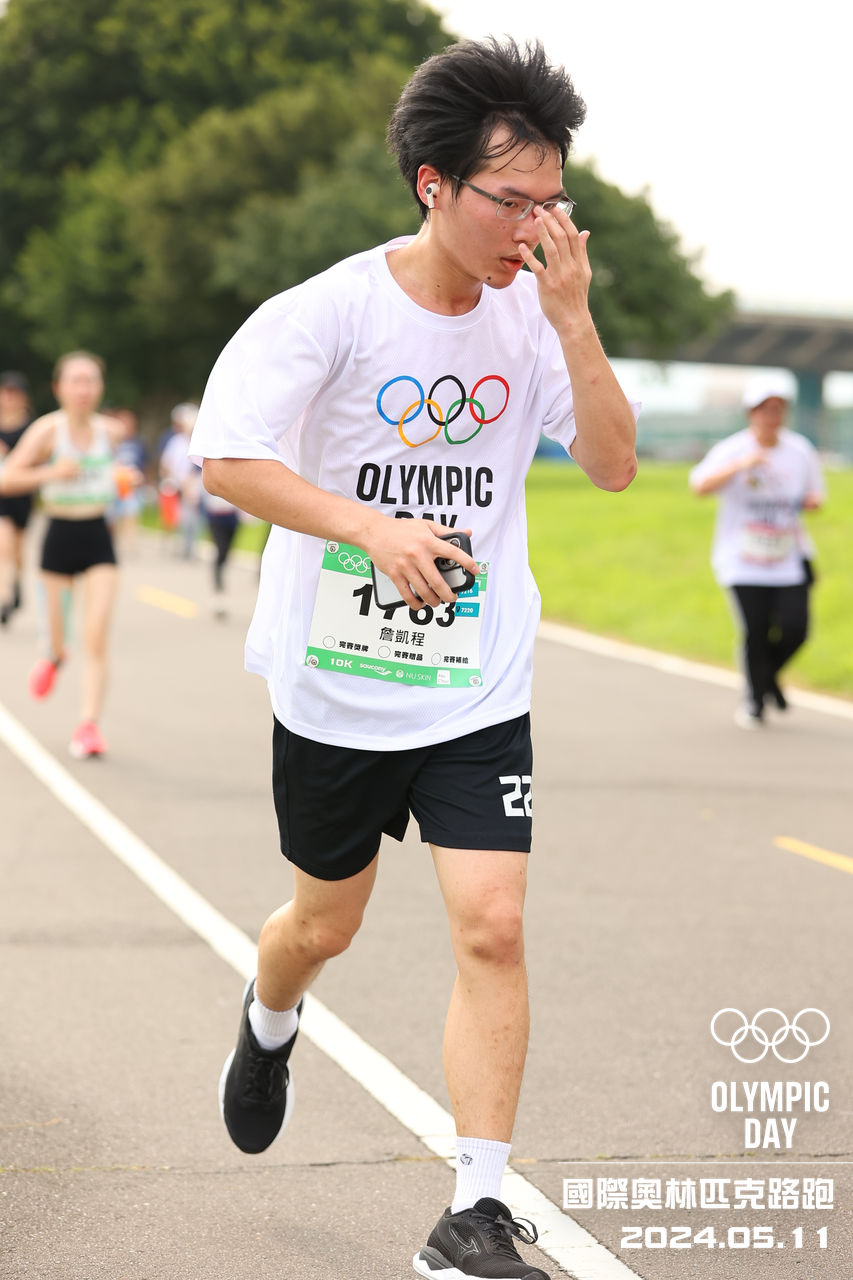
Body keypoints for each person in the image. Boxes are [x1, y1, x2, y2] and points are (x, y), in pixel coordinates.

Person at [192, 36, 637, 1280]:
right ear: (433, 184)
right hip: (337, 682)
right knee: (320, 923)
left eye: (553, 200)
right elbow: (226, 459)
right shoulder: (328, 311)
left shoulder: (535, 316)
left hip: (474, 679)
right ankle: (269, 1016)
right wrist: (369, 526)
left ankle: (473, 1209)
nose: (535, 225)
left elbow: (612, 464)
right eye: (512, 199)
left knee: (492, 924)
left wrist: (573, 318)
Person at [0, 350, 125, 758]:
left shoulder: (112, 432)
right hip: (59, 536)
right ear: (59, 388)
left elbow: (117, 474)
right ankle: (53, 657)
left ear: (100, 387)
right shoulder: (47, 431)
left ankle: (89, 726)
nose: (83, 389)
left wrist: (125, 479)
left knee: (96, 636)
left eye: (91, 380)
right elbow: (7, 478)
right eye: (76, 381)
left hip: (98, 535)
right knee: (58, 638)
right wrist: (52, 472)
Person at [689, 371, 825, 728]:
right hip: (743, 559)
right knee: (757, 631)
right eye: (764, 409)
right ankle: (755, 700)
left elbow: (816, 495)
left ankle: (766, 678)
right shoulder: (733, 449)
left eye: (777, 409)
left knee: (796, 629)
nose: (771, 416)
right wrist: (739, 467)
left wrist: (810, 502)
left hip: (788, 557)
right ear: (751, 413)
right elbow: (699, 486)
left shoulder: (800, 450)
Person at [0, 371, 35, 625]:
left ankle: (16, 582)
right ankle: (4, 596)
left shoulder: (31, 428)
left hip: (22, 494)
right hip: (1, 493)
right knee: (3, 543)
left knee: (18, 548)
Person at [159, 402, 202, 558]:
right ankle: (175, 544)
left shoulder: (199, 442)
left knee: (191, 517)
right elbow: (167, 462)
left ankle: (189, 548)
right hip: (175, 484)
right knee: (173, 516)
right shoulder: (176, 441)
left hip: (193, 485)